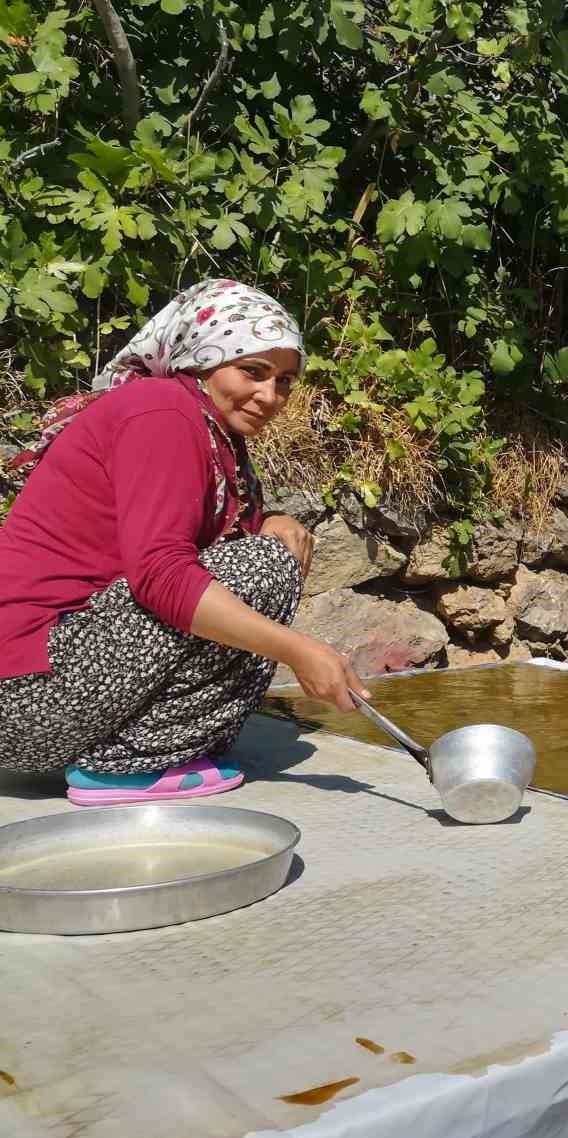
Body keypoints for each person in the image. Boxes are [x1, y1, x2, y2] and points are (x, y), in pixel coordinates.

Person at [0, 278, 368, 806]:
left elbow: (202, 547)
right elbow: (162, 575)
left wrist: (273, 521)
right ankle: (126, 768)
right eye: (252, 371)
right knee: (264, 568)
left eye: (285, 380)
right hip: (24, 697)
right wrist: (300, 650)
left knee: (271, 551)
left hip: (42, 689)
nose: (270, 396)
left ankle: (141, 749)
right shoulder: (162, 412)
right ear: (201, 359)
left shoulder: (209, 429)